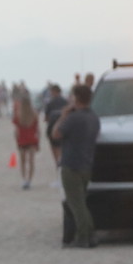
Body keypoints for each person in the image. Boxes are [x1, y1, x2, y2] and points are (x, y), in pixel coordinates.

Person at [52, 84, 100, 248]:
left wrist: (63, 116)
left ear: (76, 98)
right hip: (86, 163)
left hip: (71, 164)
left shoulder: (73, 118)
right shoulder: (93, 117)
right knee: (81, 202)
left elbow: (56, 134)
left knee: (76, 203)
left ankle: (84, 236)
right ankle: (89, 234)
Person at [12, 93, 40, 189]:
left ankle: (24, 180)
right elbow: (37, 130)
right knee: (31, 161)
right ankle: (29, 180)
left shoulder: (18, 114)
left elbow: (16, 131)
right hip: (32, 139)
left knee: (23, 161)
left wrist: (17, 141)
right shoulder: (34, 114)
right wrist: (38, 142)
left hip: (22, 140)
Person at [43, 84, 67, 166]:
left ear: (54, 92)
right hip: (65, 128)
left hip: (53, 129)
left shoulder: (50, 103)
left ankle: (58, 165)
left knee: (55, 149)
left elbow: (46, 118)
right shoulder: (66, 102)